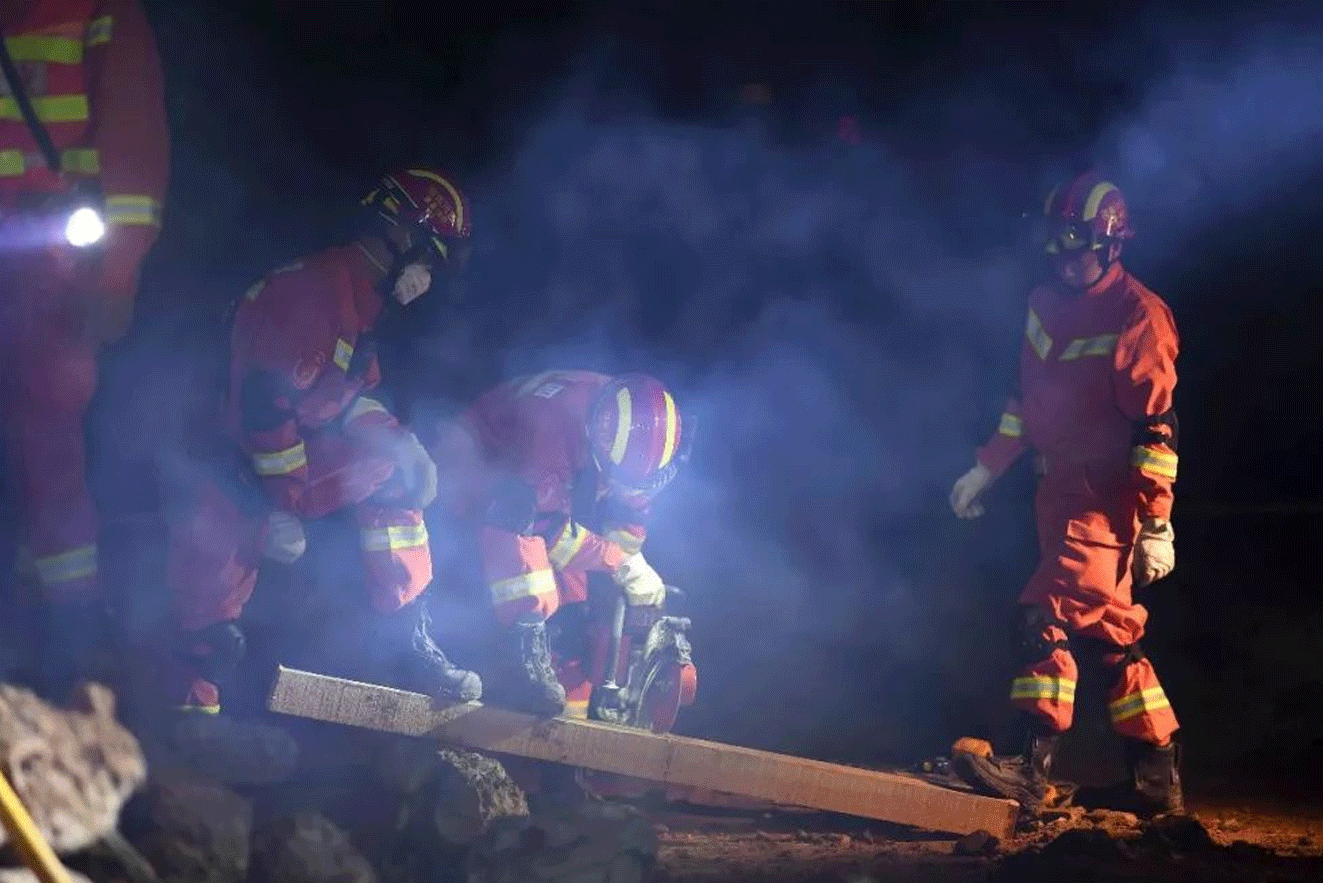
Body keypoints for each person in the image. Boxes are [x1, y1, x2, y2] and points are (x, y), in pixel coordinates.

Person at [160, 166, 481, 713]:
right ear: (399, 236)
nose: (429, 275)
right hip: (218, 458)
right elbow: (263, 411)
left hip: (277, 457)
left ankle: (407, 642)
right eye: (429, 256)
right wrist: (279, 510)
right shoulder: (308, 297)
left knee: (390, 472)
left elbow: (349, 398)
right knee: (214, 588)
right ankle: (194, 707)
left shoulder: (360, 298)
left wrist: (399, 444)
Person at [948, 171, 1183, 816]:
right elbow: (1025, 404)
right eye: (1057, 247)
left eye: (1077, 247)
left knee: (1047, 615)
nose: (1065, 260)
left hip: (1104, 503)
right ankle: (1155, 784)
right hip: (1058, 492)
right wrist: (989, 467)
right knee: (1114, 637)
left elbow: (1154, 429)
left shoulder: (1140, 315)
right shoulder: (1044, 304)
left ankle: (1029, 765)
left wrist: (1157, 522)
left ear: (1111, 245)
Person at [0, 0, 169, 694]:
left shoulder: (99, 12)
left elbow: (134, 144)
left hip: (47, 268)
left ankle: (69, 633)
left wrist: (118, 270)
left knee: (49, 443)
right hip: (38, 261)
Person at [430, 369, 696, 723]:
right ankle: (517, 653)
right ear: (596, 444)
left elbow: (628, 514)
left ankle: (571, 726)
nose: (632, 490)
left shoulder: (648, 440)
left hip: (552, 493)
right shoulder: (553, 428)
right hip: (471, 471)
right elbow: (545, 529)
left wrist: (624, 581)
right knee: (518, 512)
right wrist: (620, 563)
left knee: (576, 612)